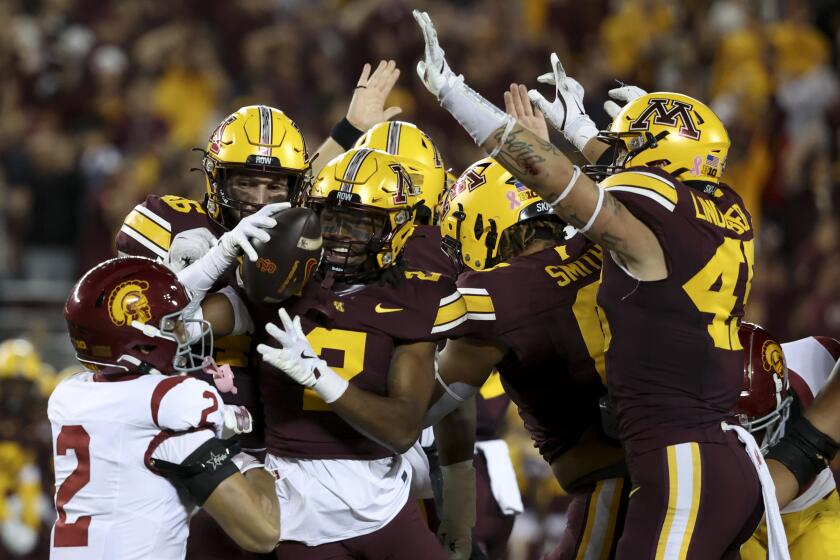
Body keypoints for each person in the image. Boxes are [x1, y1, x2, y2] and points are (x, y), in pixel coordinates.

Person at [411, 10, 785, 559]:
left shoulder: (549, 273)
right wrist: (581, 129)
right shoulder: (718, 210)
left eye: (630, 147)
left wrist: (458, 98)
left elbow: (560, 182)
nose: (617, 158)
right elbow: (615, 184)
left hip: (677, 463)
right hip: (712, 455)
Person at [254, 147, 469, 559]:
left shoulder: (414, 297)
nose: (338, 235)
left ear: (397, 229)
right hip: (298, 497)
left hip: (381, 498)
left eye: (359, 223)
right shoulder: (281, 277)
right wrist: (215, 260)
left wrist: (321, 378)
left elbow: (403, 428)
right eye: (330, 218)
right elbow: (194, 317)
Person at [424, 157, 624, 560]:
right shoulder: (603, 243)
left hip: (620, 480)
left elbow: (418, 411)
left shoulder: (498, 294)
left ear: (484, 223)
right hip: (693, 449)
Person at [49, 256, 280, 560]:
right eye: (173, 324)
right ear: (142, 343)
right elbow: (263, 534)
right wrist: (253, 462)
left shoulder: (69, 394)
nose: (185, 333)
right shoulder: (172, 413)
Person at [736, 324, 840, 559]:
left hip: (811, 513)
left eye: (754, 433)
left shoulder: (819, 364)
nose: (743, 445)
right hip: (735, 525)